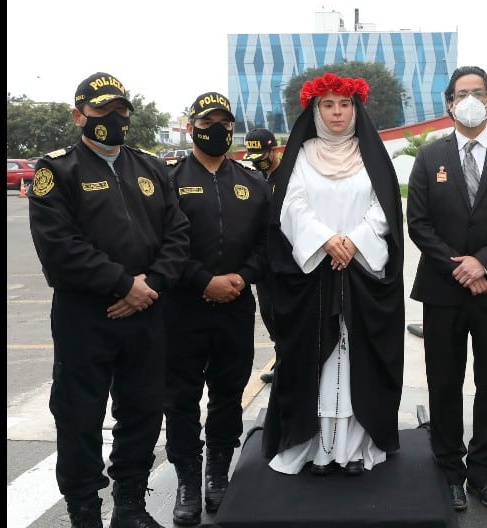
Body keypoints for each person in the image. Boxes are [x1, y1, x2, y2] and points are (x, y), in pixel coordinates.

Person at [28, 71, 191, 528]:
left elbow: (177, 234)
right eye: (103, 112)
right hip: (87, 315)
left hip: (147, 310)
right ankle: (84, 513)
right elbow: (60, 247)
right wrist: (123, 285)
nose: (114, 120)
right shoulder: (57, 170)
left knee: (143, 408)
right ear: (80, 115)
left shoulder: (151, 166)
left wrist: (149, 286)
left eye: (121, 111)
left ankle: (130, 507)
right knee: (79, 416)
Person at [260, 72, 406, 478]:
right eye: (328, 105)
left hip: (361, 272)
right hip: (313, 277)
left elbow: (384, 207)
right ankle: (314, 450)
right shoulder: (302, 154)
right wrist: (326, 241)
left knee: (360, 362)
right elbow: (292, 207)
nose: (337, 113)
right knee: (314, 364)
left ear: (355, 108)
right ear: (315, 109)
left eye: (344, 104)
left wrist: (354, 242)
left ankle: (357, 449)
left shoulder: (372, 154)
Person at [406, 65, 487, 512]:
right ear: (449, 104)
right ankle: (449, 473)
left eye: (479, 92)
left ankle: (483, 474)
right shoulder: (429, 156)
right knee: (443, 383)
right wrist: (457, 267)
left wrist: (484, 263)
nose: (471, 99)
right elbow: (417, 222)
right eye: (462, 93)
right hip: (442, 290)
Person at [163, 92, 271, 525]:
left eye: (226, 123)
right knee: (182, 398)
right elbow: (160, 243)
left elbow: (267, 245)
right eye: (209, 122)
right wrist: (201, 280)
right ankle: (188, 480)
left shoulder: (251, 182)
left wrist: (241, 278)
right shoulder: (166, 178)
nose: (219, 130)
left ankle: (217, 475)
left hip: (236, 305)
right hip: (182, 307)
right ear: (192, 126)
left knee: (228, 395)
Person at [239, 128, 282, 384]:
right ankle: (281, 358)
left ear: (274, 149)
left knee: (287, 314)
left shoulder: (289, 176)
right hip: (263, 263)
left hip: (287, 261)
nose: (258, 159)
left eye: (262, 154)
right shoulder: (254, 178)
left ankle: (292, 362)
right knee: (268, 313)